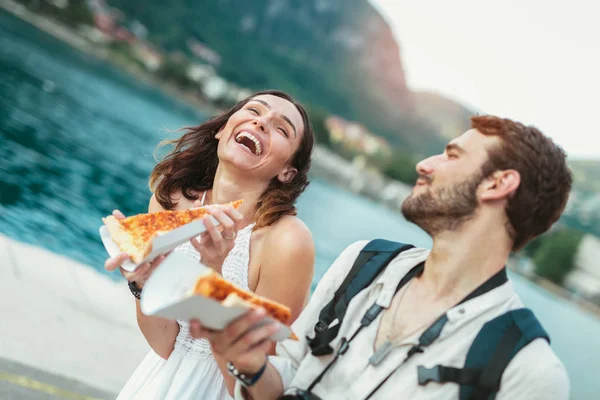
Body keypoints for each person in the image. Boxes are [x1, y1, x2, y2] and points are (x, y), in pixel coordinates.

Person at [191, 115, 572, 400]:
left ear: (498, 184)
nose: (425, 164)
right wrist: (250, 363)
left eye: (452, 155)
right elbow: (284, 377)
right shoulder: (362, 261)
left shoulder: (529, 372)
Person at [104, 89, 316, 399]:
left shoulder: (287, 241)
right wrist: (142, 282)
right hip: (158, 384)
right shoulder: (172, 200)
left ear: (287, 172)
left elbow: (255, 386)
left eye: (281, 128)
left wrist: (212, 277)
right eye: (254, 111)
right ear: (221, 129)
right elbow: (166, 346)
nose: (260, 123)